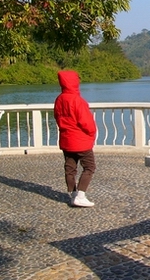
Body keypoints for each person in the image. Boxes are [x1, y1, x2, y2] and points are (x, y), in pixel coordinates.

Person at [54, 70, 97, 207]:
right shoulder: (77, 101)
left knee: (70, 168)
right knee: (89, 167)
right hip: (80, 141)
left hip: (66, 139)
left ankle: (73, 195)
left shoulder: (59, 99)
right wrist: (91, 134)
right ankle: (81, 195)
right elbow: (87, 122)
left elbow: (57, 117)